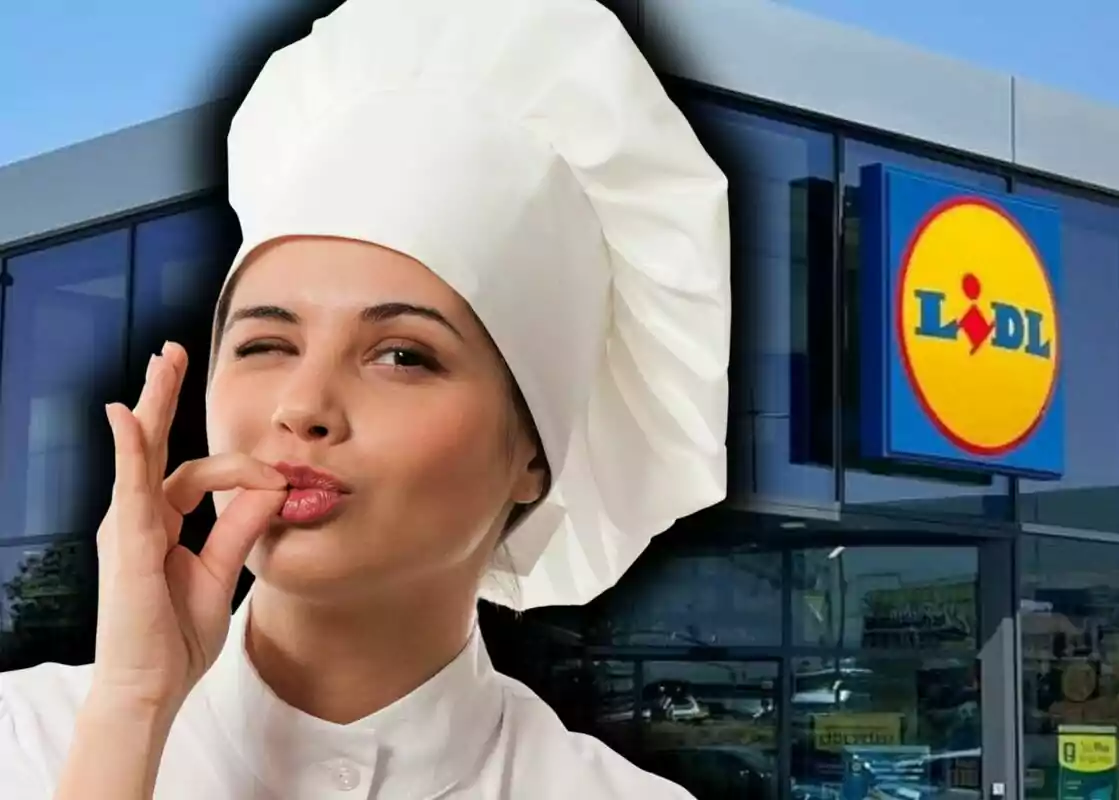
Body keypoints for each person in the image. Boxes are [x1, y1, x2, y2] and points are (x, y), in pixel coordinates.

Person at [0, 0, 730, 797]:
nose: (303, 405)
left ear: (534, 453)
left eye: (401, 355)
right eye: (264, 345)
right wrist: (132, 712)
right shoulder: (26, 740)